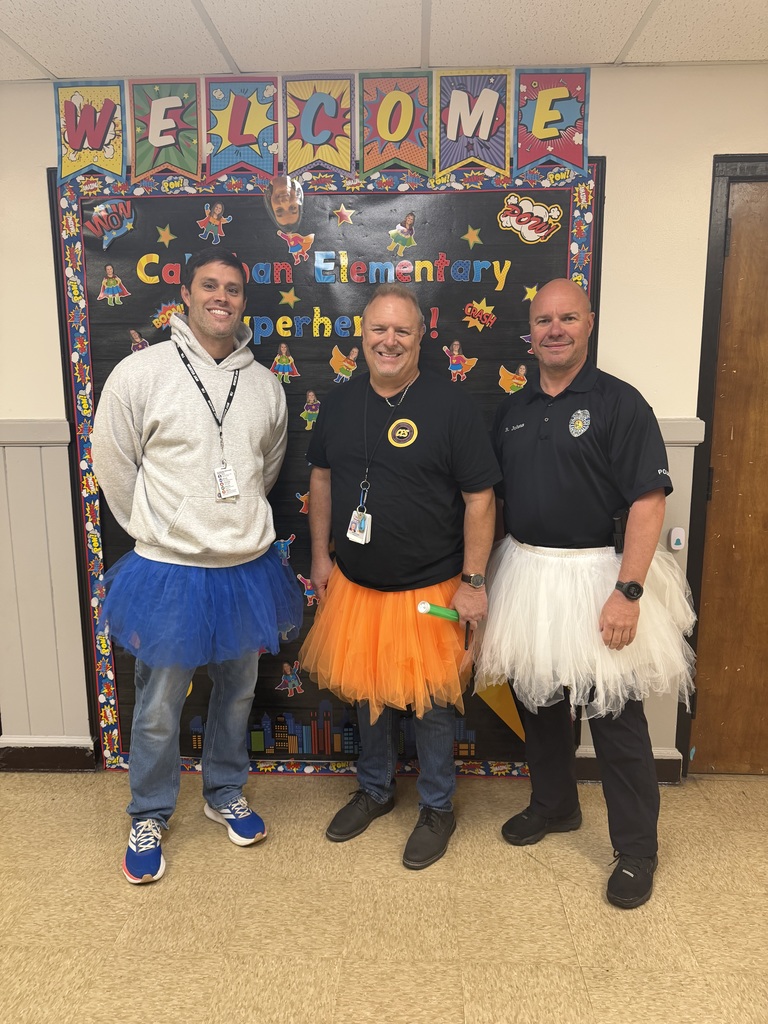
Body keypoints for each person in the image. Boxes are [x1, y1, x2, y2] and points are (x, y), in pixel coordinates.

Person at [474, 278, 696, 909]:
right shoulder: (512, 411)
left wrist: (628, 591)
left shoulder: (622, 404)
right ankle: (553, 806)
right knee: (539, 706)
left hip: (602, 575)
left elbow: (648, 502)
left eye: (566, 318)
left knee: (615, 722)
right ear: (530, 330)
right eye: (543, 320)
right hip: (528, 572)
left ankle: (635, 851)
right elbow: (494, 502)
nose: (554, 329)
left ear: (588, 322)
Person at [92, 250, 303, 885]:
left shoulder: (264, 384)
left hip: (245, 567)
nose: (221, 297)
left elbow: (265, 469)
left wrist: (228, 522)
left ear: (244, 301)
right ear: (185, 293)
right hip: (169, 569)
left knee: (237, 692)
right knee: (159, 702)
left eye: (233, 288)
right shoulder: (141, 373)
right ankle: (149, 811)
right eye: (209, 285)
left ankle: (223, 792)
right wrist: (159, 529)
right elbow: (113, 460)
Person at [299, 283, 499, 870]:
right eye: (378, 330)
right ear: (362, 337)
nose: (389, 341)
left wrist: (475, 580)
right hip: (358, 584)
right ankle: (375, 790)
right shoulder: (338, 403)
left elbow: (480, 498)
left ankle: (437, 806)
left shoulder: (451, 405)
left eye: (402, 331)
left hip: (433, 584)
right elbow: (322, 481)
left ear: (420, 337)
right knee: (369, 694)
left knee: (434, 704)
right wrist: (319, 557)